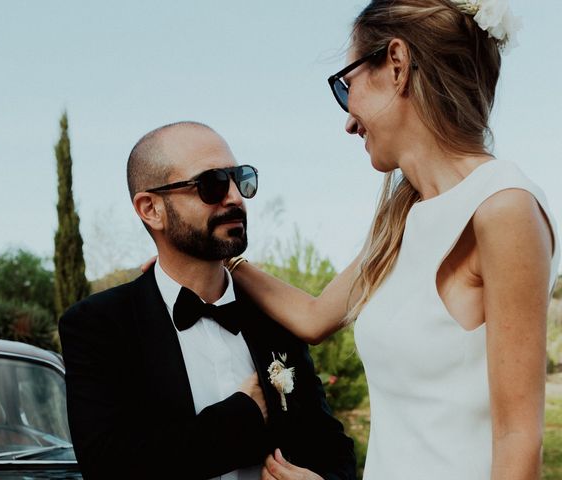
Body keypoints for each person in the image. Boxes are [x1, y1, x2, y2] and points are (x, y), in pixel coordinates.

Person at [229, 1, 560, 479]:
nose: (347, 119)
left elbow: (517, 443)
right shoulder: (403, 217)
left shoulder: (502, 207)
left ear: (398, 66)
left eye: (348, 85)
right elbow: (314, 316)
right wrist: (223, 264)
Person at [58, 121, 356, 480]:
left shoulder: (274, 315)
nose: (235, 197)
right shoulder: (99, 325)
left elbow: (331, 449)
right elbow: (110, 466)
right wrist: (241, 417)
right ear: (151, 209)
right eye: (211, 184)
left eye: (239, 179)